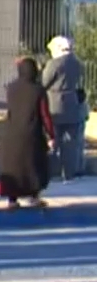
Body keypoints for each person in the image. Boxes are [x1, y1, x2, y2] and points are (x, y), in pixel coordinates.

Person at [0, 58, 55, 209]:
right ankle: (34, 196)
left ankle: (12, 200)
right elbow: (45, 115)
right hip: (31, 134)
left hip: (11, 133)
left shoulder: (11, 88)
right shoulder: (38, 90)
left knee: (13, 167)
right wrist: (51, 134)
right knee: (33, 166)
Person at [41, 35, 84, 182]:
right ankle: (69, 174)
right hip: (72, 104)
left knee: (53, 139)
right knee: (70, 143)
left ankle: (50, 172)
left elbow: (44, 82)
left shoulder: (54, 64)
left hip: (55, 103)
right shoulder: (77, 63)